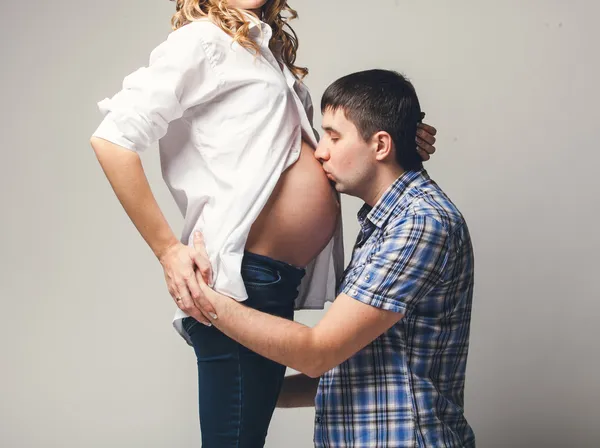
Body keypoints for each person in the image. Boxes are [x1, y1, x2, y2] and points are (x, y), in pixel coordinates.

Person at [89, 1, 437, 446]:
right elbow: (113, 139)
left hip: (272, 282)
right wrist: (167, 251)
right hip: (241, 281)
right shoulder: (202, 41)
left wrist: (395, 142)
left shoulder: (261, 49)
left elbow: (283, 148)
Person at [191, 69, 476, 447]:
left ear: (381, 145)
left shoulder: (419, 223)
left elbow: (318, 353)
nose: (321, 150)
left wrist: (203, 298)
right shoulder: (388, 223)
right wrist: (250, 394)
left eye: (333, 136)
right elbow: (352, 372)